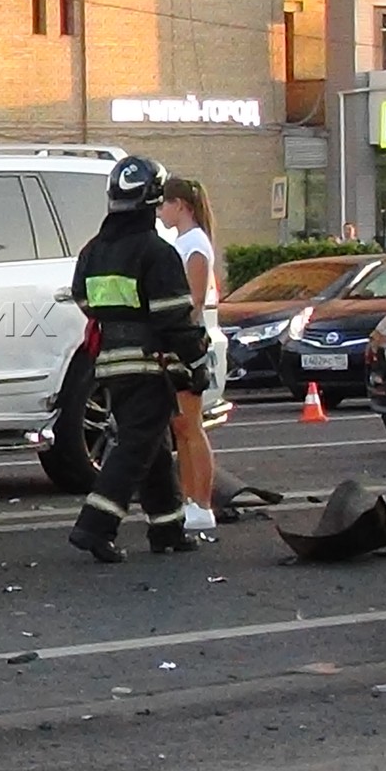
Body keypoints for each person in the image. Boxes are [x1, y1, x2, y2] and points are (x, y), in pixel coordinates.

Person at [67, 156, 210, 563]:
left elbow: (84, 299)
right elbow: (174, 317)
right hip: (151, 364)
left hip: (110, 361)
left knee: (153, 445)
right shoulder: (156, 252)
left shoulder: (92, 251)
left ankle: (167, 527)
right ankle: (94, 527)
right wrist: (195, 362)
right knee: (134, 447)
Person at [158, 178, 222, 534]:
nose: (159, 212)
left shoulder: (194, 244)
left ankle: (202, 502)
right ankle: (188, 499)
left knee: (192, 426)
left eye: (163, 205)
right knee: (181, 426)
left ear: (179, 205)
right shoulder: (182, 242)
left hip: (187, 342)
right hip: (178, 341)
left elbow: (194, 299)